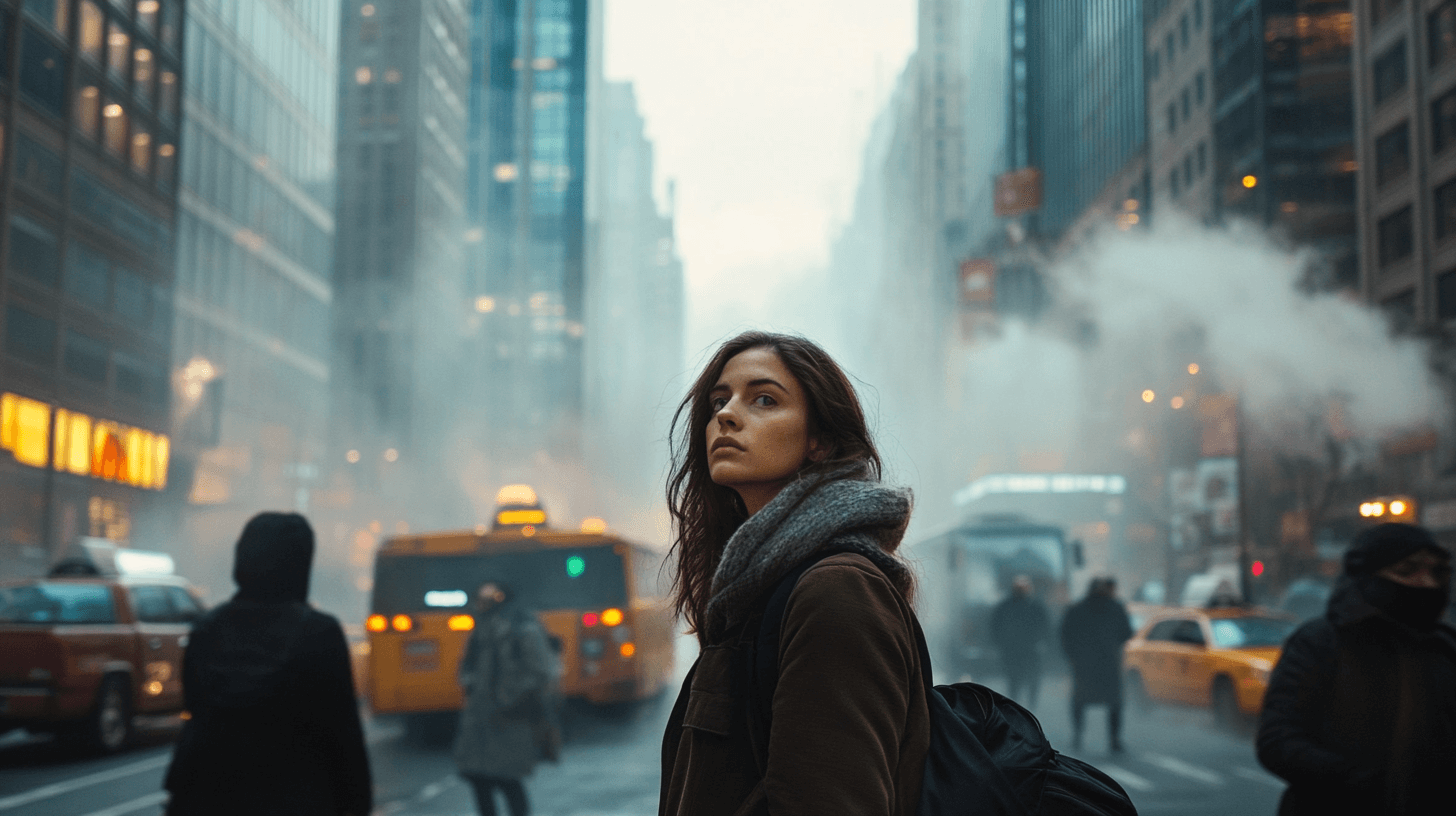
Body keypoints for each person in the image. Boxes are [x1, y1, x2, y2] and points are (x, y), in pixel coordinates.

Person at [659, 331, 930, 816]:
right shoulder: (755, 588)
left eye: (764, 399)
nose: (725, 415)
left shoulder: (836, 590)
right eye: (719, 401)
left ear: (819, 441)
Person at [163, 512, 371, 816]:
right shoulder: (319, 633)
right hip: (298, 798)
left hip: (211, 797)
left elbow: (195, 713)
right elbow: (343, 736)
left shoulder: (207, 630)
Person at [1256, 522, 1456, 815]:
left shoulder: (1445, 646)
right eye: (1408, 570)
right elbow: (1277, 741)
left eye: (1437, 571)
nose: (1425, 582)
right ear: (1370, 575)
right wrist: (1355, 779)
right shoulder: (1321, 643)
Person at [454, 581, 561, 816]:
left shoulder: (523, 629)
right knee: (479, 779)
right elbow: (467, 668)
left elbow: (541, 673)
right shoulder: (481, 630)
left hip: (510, 718)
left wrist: (513, 700)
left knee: (508, 780)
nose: (481, 604)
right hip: (480, 719)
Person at [1059, 577, 1133, 753]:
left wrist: (1072, 656)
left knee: (1080, 700)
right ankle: (1114, 739)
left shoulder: (1076, 609)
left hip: (1084, 664)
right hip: (1108, 663)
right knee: (1114, 702)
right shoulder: (1116, 608)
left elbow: (1065, 635)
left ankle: (1077, 735)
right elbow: (1126, 633)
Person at [990, 574, 1051, 707]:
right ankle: (1017, 702)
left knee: (1031, 676)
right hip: (1015, 648)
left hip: (1028, 648)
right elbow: (996, 626)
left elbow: (1045, 626)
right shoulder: (1007, 607)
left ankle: (1029, 702)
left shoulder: (1034, 606)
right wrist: (1000, 643)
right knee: (1015, 677)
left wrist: (1041, 641)